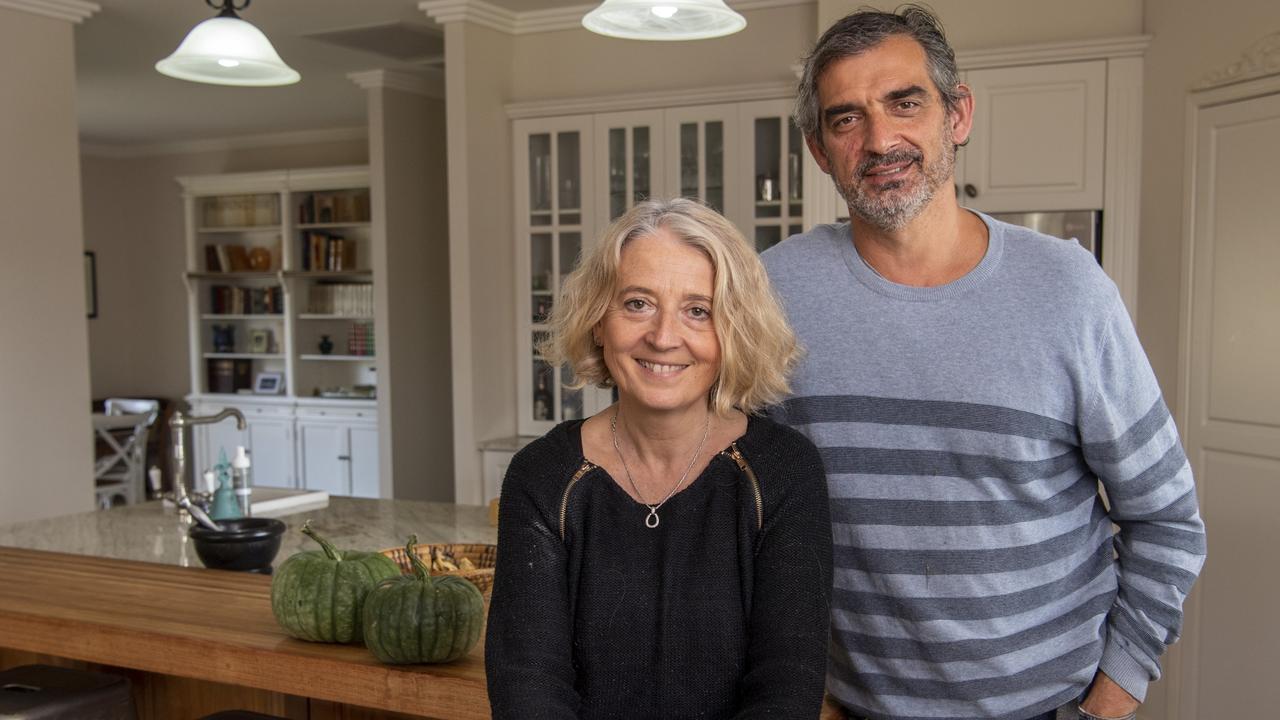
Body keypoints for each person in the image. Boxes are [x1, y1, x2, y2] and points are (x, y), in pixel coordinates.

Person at [762, 6, 1206, 720]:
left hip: (1049, 707)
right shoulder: (771, 291)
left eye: (905, 103)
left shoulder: (1069, 290)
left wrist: (1110, 700)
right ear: (819, 149)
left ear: (957, 114)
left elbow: (1167, 520)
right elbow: (736, 508)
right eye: (846, 119)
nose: (881, 140)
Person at [486, 198, 834, 719]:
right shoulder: (542, 476)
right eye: (637, 303)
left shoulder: (785, 472)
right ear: (598, 321)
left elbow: (786, 689)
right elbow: (528, 686)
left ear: (732, 331)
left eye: (698, 310)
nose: (664, 337)